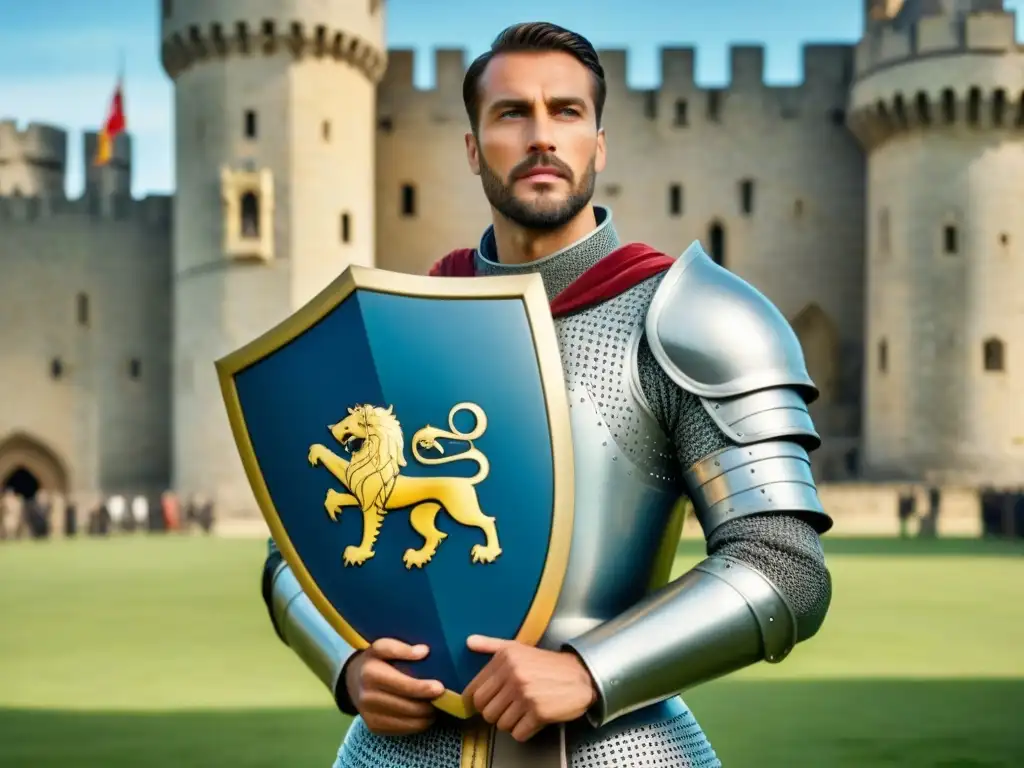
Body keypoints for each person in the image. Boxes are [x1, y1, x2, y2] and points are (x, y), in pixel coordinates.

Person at [261, 22, 833, 768]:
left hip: (617, 748)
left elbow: (784, 566)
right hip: (400, 751)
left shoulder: (694, 318)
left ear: (599, 142)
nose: (541, 137)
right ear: (472, 148)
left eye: (565, 112)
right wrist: (346, 663)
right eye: (511, 114)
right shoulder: (394, 330)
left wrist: (591, 670)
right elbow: (293, 551)